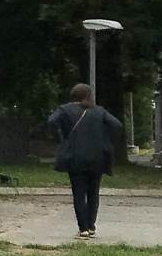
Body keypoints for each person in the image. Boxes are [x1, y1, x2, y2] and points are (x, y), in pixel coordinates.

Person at [48, 83, 122, 239]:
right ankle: (91, 226)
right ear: (89, 96)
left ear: (73, 96)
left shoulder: (65, 110)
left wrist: (61, 139)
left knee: (79, 192)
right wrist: (105, 139)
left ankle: (83, 229)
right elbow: (117, 125)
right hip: (97, 157)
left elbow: (51, 121)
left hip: (75, 157)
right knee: (93, 192)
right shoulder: (99, 111)